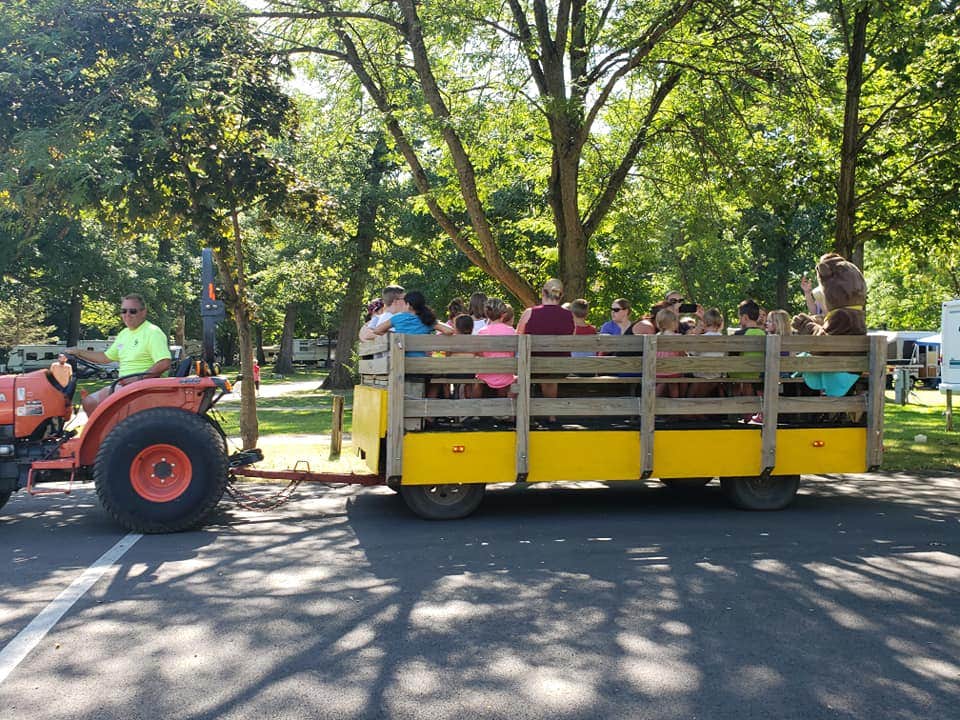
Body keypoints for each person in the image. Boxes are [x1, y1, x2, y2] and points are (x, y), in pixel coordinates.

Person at [66, 293, 171, 415]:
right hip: (126, 386)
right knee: (89, 402)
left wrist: (138, 379)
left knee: (91, 403)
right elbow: (105, 357)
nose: (127, 315)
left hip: (142, 389)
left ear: (143, 312)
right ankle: (107, 433)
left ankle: (108, 434)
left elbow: (164, 362)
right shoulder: (124, 334)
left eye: (132, 311)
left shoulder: (152, 332)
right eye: (123, 311)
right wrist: (78, 352)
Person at [517, 278, 575, 419]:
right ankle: (551, 414)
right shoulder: (568, 315)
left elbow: (518, 335)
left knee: (538, 369)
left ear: (543, 293)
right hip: (561, 367)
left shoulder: (530, 313)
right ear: (560, 296)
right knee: (550, 374)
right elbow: (572, 338)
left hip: (533, 365)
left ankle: (528, 414)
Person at [371, 290, 454, 354]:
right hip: (422, 364)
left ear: (408, 305)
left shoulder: (397, 318)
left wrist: (395, 334)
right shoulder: (427, 320)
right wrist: (435, 323)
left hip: (400, 362)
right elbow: (449, 330)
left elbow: (377, 330)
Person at [476, 298, 516, 398]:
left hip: (486, 374)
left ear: (487, 314)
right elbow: (513, 353)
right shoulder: (511, 331)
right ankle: (508, 410)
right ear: (503, 314)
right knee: (514, 378)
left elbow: (479, 354)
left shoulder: (481, 332)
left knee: (479, 375)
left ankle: (475, 409)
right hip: (505, 373)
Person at [688, 307, 725, 398]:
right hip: (717, 374)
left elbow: (691, 352)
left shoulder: (701, 338)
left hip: (701, 373)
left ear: (704, 324)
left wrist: (696, 334)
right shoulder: (724, 339)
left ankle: (687, 408)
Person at [654, 307, 686, 398]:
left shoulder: (656, 337)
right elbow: (682, 354)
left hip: (658, 371)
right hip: (673, 371)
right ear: (673, 323)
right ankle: (675, 403)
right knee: (674, 383)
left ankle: (653, 401)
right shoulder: (677, 337)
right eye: (676, 321)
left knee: (662, 381)